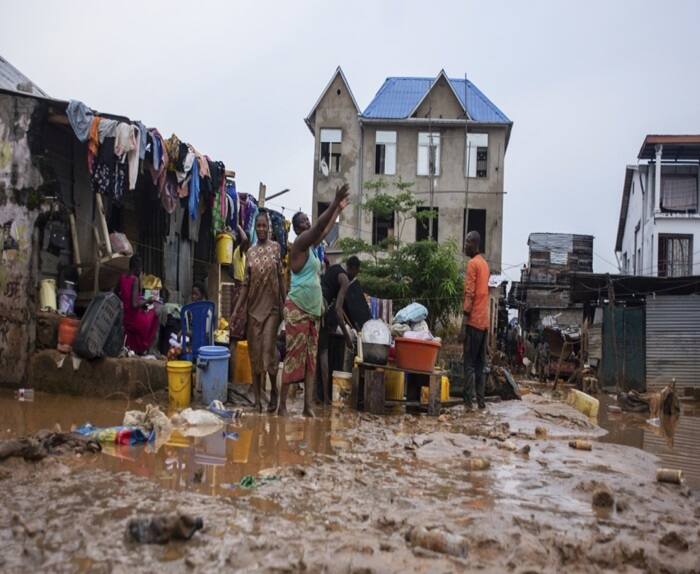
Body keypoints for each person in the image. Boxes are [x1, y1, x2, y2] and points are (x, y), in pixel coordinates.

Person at [278, 183, 351, 417]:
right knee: (293, 358)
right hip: (298, 307)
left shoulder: (311, 249)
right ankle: (282, 406)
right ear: (298, 228)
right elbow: (320, 226)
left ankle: (308, 407)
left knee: (310, 360)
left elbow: (323, 228)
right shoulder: (299, 245)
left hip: (313, 311)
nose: (309, 224)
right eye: (305, 222)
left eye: (309, 221)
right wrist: (333, 202)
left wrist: (338, 210)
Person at [231, 211, 286, 412]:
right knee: (254, 357)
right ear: (255, 228)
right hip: (253, 310)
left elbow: (280, 278)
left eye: (265, 226)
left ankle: (273, 393)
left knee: (267, 353)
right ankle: (256, 401)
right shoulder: (251, 252)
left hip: (272, 309)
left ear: (269, 228)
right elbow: (245, 284)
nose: (262, 229)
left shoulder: (275, 248)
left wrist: (285, 304)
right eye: (259, 226)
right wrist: (237, 310)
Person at [318, 256, 361, 404]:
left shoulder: (334, 269)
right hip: (320, 309)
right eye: (356, 272)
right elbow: (337, 309)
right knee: (323, 354)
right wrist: (348, 338)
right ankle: (325, 397)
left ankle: (314, 395)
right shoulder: (345, 280)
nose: (355, 276)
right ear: (354, 269)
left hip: (313, 303)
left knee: (314, 352)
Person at [459, 230, 490, 410]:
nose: (465, 245)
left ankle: (468, 405)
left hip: (473, 322)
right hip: (484, 323)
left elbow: (470, 293)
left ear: (473, 243)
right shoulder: (485, 265)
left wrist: (463, 324)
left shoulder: (472, 264)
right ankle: (481, 403)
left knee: (469, 365)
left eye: (467, 242)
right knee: (480, 365)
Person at [117, 254, 159, 355]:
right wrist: (148, 301)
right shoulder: (135, 280)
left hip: (125, 317)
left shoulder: (122, 277)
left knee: (147, 312)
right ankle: (149, 349)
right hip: (134, 319)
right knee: (155, 315)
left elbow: (117, 293)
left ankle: (135, 347)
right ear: (138, 267)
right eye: (140, 268)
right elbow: (135, 304)